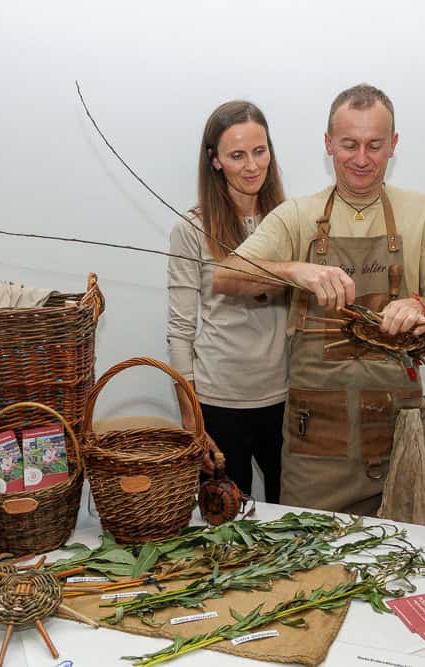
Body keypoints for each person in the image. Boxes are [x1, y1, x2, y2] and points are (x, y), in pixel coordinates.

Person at [212, 84, 425, 526]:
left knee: (415, 556)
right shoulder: (298, 215)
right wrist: (296, 271)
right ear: (329, 143)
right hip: (317, 444)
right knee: (313, 557)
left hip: (399, 432)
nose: (362, 158)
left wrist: (421, 306)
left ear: (394, 144)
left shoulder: (420, 210)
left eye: (375, 145)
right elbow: (226, 275)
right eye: (349, 144)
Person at [166, 100, 288, 503]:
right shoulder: (191, 229)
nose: (252, 166)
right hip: (219, 404)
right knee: (227, 524)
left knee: (296, 520)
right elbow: (180, 331)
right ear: (214, 160)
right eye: (237, 155)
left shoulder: (290, 220)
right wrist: (192, 422)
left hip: (286, 399)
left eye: (260, 151)